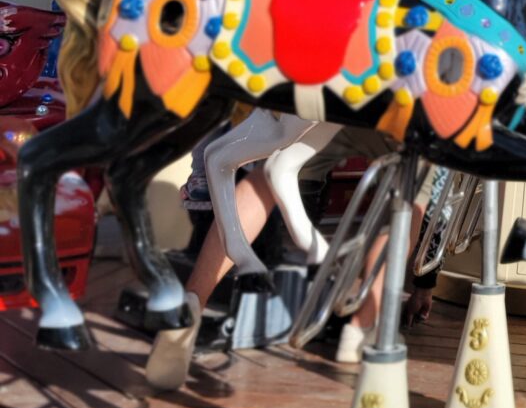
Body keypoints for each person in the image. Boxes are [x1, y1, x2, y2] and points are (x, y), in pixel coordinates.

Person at [145, 122, 424, 389]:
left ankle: (192, 306)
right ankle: (361, 327)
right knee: (410, 196)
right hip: (404, 110)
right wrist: (426, 283)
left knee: (265, 178)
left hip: (345, 95)